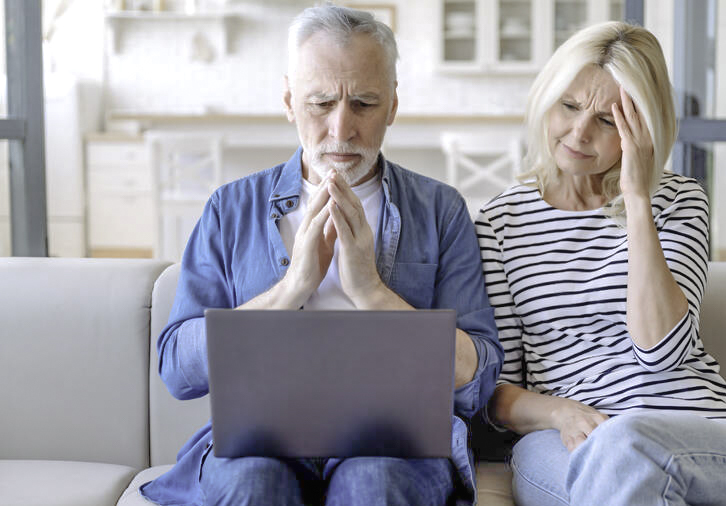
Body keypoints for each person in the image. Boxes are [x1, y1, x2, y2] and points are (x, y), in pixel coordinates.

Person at [140, 5, 502, 506]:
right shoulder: (230, 208)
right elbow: (178, 371)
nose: (341, 129)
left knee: (373, 484)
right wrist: (290, 291)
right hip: (259, 440)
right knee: (252, 485)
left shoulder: (440, 210)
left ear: (393, 105)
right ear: (290, 101)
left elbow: (479, 375)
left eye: (365, 103)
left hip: (393, 440)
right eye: (321, 102)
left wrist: (372, 292)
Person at [475, 21, 726, 506]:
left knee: (626, 445)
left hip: (699, 437)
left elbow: (660, 351)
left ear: (642, 127)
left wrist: (637, 200)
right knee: (618, 462)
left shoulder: (678, 201)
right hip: (564, 440)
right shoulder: (499, 223)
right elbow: (496, 390)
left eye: (608, 120)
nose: (579, 132)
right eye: (569, 106)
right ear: (545, 99)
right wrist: (560, 414)